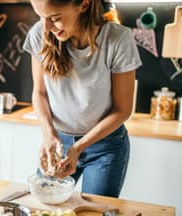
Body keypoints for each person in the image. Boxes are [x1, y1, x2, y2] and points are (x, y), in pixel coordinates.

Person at [23, 0, 142, 197]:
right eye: (41, 18)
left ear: (84, 5)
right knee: (43, 204)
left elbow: (123, 109)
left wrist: (78, 147)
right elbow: (40, 93)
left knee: (93, 210)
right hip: (59, 142)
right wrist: (48, 135)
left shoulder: (118, 39)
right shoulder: (39, 34)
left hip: (106, 147)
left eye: (55, 18)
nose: (46, 28)